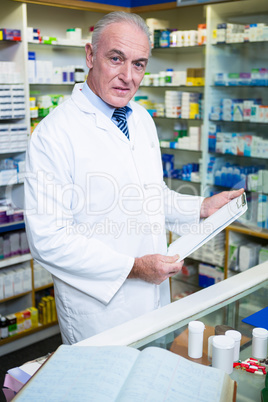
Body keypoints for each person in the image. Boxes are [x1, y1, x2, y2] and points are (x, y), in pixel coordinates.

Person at [24, 11, 243, 344]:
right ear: (90, 55)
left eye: (139, 64)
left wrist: (202, 207)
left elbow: (151, 194)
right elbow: (48, 239)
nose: (128, 76)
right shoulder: (54, 134)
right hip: (101, 313)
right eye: (116, 59)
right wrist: (134, 267)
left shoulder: (140, 118)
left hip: (155, 300)